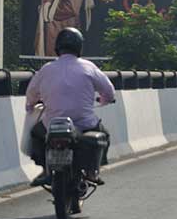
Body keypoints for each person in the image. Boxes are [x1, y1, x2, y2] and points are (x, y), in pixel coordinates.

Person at [26, 28, 115, 187]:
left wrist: (30, 104)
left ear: (58, 47)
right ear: (79, 47)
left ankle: (46, 170)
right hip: (84, 123)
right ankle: (91, 172)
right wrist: (106, 99)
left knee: (36, 133)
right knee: (104, 135)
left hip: (52, 124)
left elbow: (32, 92)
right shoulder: (89, 67)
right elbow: (108, 90)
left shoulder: (46, 69)